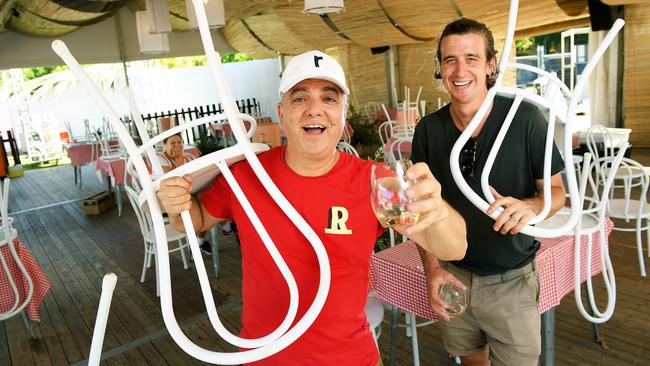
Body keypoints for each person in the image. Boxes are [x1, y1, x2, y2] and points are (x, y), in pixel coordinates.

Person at [157, 50, 467, 365]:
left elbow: (454, 248)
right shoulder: (247, 175)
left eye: (329, 99)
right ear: (282, 112)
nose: (315, 110)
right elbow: (192, 221)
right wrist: (176, 204)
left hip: (350, 357)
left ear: (343, 114)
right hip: (264, 356)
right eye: (300, 98)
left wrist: (439, 212)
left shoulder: (374, 182)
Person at [411, 19, 567, 366]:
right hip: (455, 276)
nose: (460, 69)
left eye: (471, 57)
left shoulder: (525, 119)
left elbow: (556, 192)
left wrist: (533, 206)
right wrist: (434, 271)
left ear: (490, 65)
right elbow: (419, 212)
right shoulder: (429, 130)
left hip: (512, 280)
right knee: (471, 361)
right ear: (440, 67)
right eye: (450, 59)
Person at [158, 134, 213, 254]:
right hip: (164, 203)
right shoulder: (160, 159)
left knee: (206, 197)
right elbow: (172, 180)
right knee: (202, 201)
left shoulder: (186, 157)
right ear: (164, 145)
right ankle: (200, 241)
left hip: (183, 196)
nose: (177, 146)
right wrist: (178, 160)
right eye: (173, 143)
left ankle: (199, 242)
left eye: (179, 142)